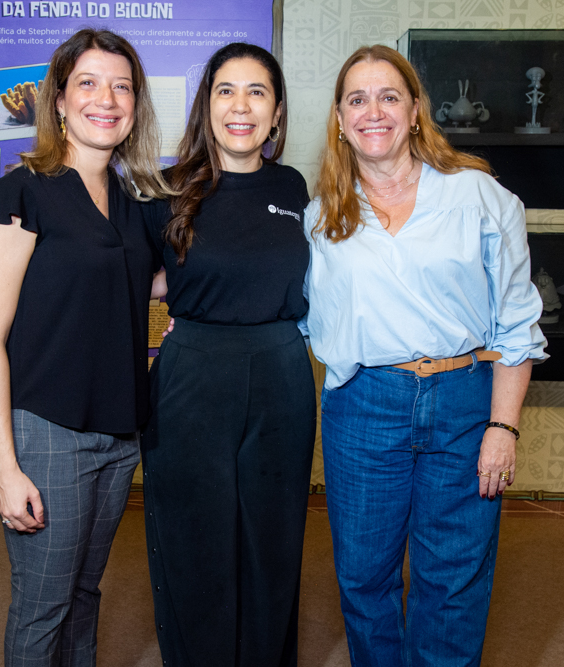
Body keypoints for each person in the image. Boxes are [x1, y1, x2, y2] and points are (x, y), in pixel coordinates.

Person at [302, 45, 547, 667]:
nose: (373, 111)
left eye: (389, 96)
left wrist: (502, 426)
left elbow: (518, 322)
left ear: (416, 111)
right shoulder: (320, 217)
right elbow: (288, 308)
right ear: (338, 117)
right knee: (364, 578)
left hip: (464, 400)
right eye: (357, 99)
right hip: (362, 406)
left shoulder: (481, 198)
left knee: (454, 579)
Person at [0, 29, 171, 666]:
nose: (106, 98)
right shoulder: (21, 195)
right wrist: (4, 466)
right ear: (57, 102)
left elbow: (156, 285)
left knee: (83, 593)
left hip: (117, 433)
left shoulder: (134, 205)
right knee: (43, 604)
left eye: (121, 86)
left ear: (135, 105)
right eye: (88, 83)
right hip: (42, 431)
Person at [140, 42, 315, 667]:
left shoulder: (294, 188)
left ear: (275, 113)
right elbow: (129, 281)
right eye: (225, 91)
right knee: (193, 540)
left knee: (273, 539)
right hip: (192, 376)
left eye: (257, 92)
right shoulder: (165, 191)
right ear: (206, 106)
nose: (240, 106)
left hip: (282, 376)